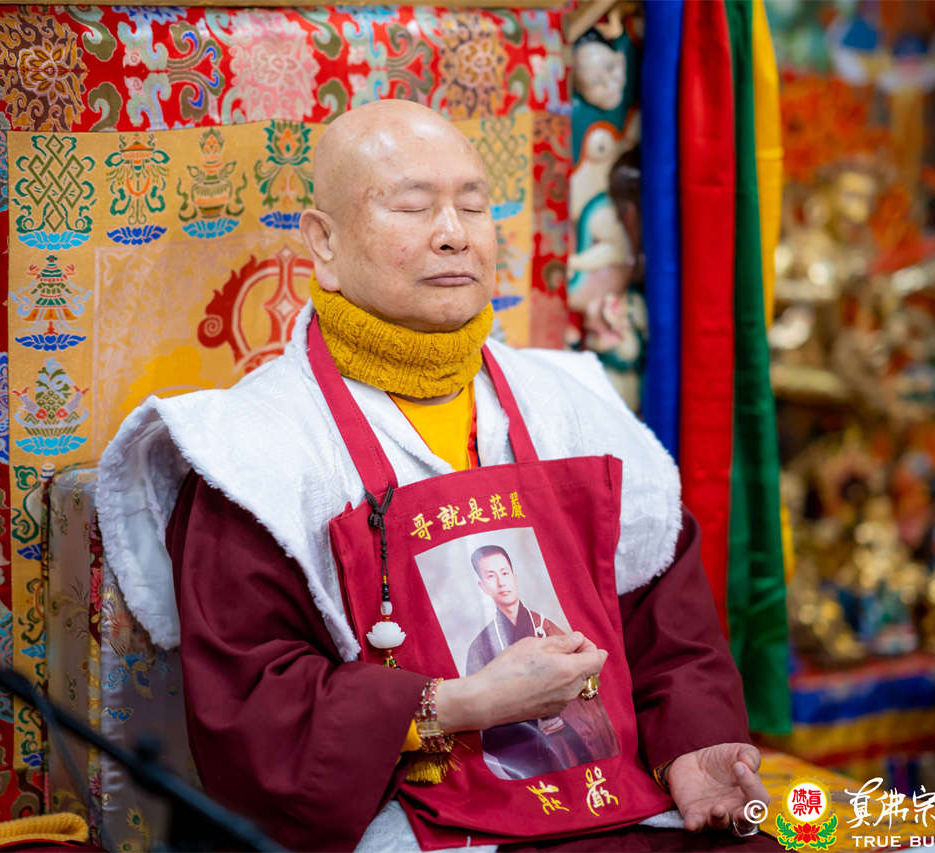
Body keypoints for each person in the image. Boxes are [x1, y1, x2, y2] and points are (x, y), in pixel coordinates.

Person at [98, 99, 772, 851]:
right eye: (413, 207)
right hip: (415, 822)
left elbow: (666, 625)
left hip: (612, 797)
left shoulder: (568, 403)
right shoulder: (258, 449)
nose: (454, 234)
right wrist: (455, 704)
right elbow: (253, 714)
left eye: (474, 207)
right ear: (323, 242)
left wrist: (695, 747)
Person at [465, 544, 620, 781]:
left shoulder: (547, 627)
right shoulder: (480, 646)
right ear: (482, 586)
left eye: (505, 573)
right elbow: (481, 716)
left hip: (575, 742)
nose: (501, 582)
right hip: (527, 754)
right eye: (491, 576)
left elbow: (588, 694)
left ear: (515, 577)